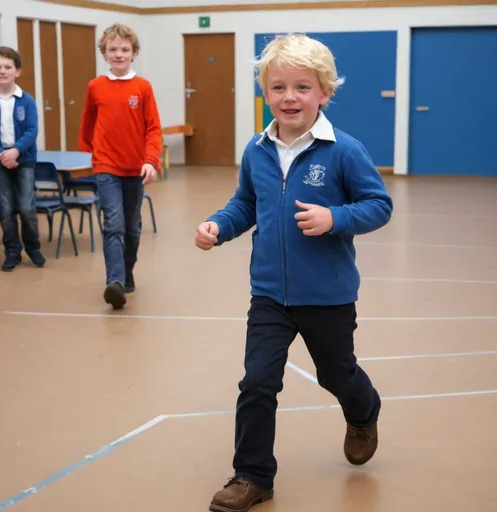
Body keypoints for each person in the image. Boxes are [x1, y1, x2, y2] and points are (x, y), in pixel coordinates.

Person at [195, 33, 393, 512]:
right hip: (268, 294)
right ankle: (253, 475)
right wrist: (218, 225)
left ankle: (364, 411)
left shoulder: (344, 150)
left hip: (326, 295)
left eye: (302, 87)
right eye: (279, 87)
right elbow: (246, 203)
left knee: (336, 373)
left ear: (324, 93)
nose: (289, 97)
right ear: (266, 93)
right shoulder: (256, 150)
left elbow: (378, 205)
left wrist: (335, 219)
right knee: (257, 382)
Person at [78, 23, 163, 309]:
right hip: (106, 166)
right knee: (113, 223)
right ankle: (114, 281)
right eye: (112, 49)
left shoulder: (143, 88)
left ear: (134, 53)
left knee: (132, 228)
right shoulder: (95, 86)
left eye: (124, 49)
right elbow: (88, 124)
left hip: (135, 169)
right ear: (104, 52)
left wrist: (151, 160)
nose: (118, 54)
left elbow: (153, 128)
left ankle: (126, 274)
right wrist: (95, 154)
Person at [0, 46, 45, 272]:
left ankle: (33, 247)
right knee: (6, 208)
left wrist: (16, 151)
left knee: (27, 207)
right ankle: (12, 251)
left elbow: (31, 130)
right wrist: (2, 154)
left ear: (17, 71)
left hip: (24, 160)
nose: (2, 71)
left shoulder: (26, 100)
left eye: (7, 67)